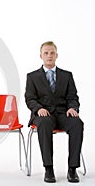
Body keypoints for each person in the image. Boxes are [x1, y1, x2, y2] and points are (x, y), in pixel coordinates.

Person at [25, 41, 84, 183]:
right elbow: (30, 98)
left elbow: (73, 96)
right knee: (44, 124)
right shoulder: (32, 76)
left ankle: (72, 169)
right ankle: (48, 168)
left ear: (56, 55)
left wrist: (72, 108)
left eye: (52, 53)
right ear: (41, 56)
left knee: (77, 124)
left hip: (64, 113)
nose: (49, 55)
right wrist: (39, 109)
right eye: (46, 53)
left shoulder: (67, 75)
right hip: (43, 114)